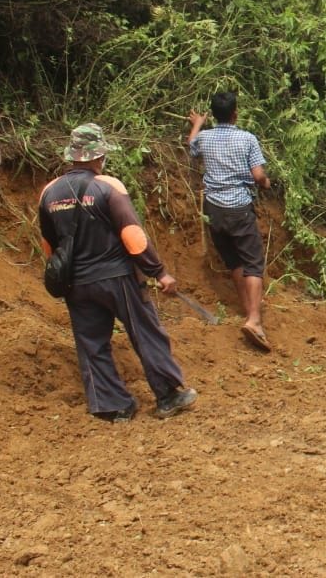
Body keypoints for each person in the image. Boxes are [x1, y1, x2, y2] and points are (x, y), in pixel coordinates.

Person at [38, 123, 198, 422]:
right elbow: (132, 235)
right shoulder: (108, 186)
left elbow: (50, 246)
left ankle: (113, 407)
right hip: (117, 277)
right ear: (99, 157)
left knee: (91, 344)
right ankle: (168, 396)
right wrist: (159, 272)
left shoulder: (48, 193)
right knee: (145, 332)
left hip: (77, 284)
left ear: (73, 156)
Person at [187, 92, 273, 351]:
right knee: (253, 264)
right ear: (235, 113)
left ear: (214, 114)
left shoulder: (205, 137)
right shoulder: (247, 139)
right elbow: (258, 174)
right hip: (239, 207)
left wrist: (197, 124)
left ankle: (247, 311)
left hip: (213, 209)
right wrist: (266, 183)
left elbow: (191, 146)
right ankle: (255, 320)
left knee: (234, 260)